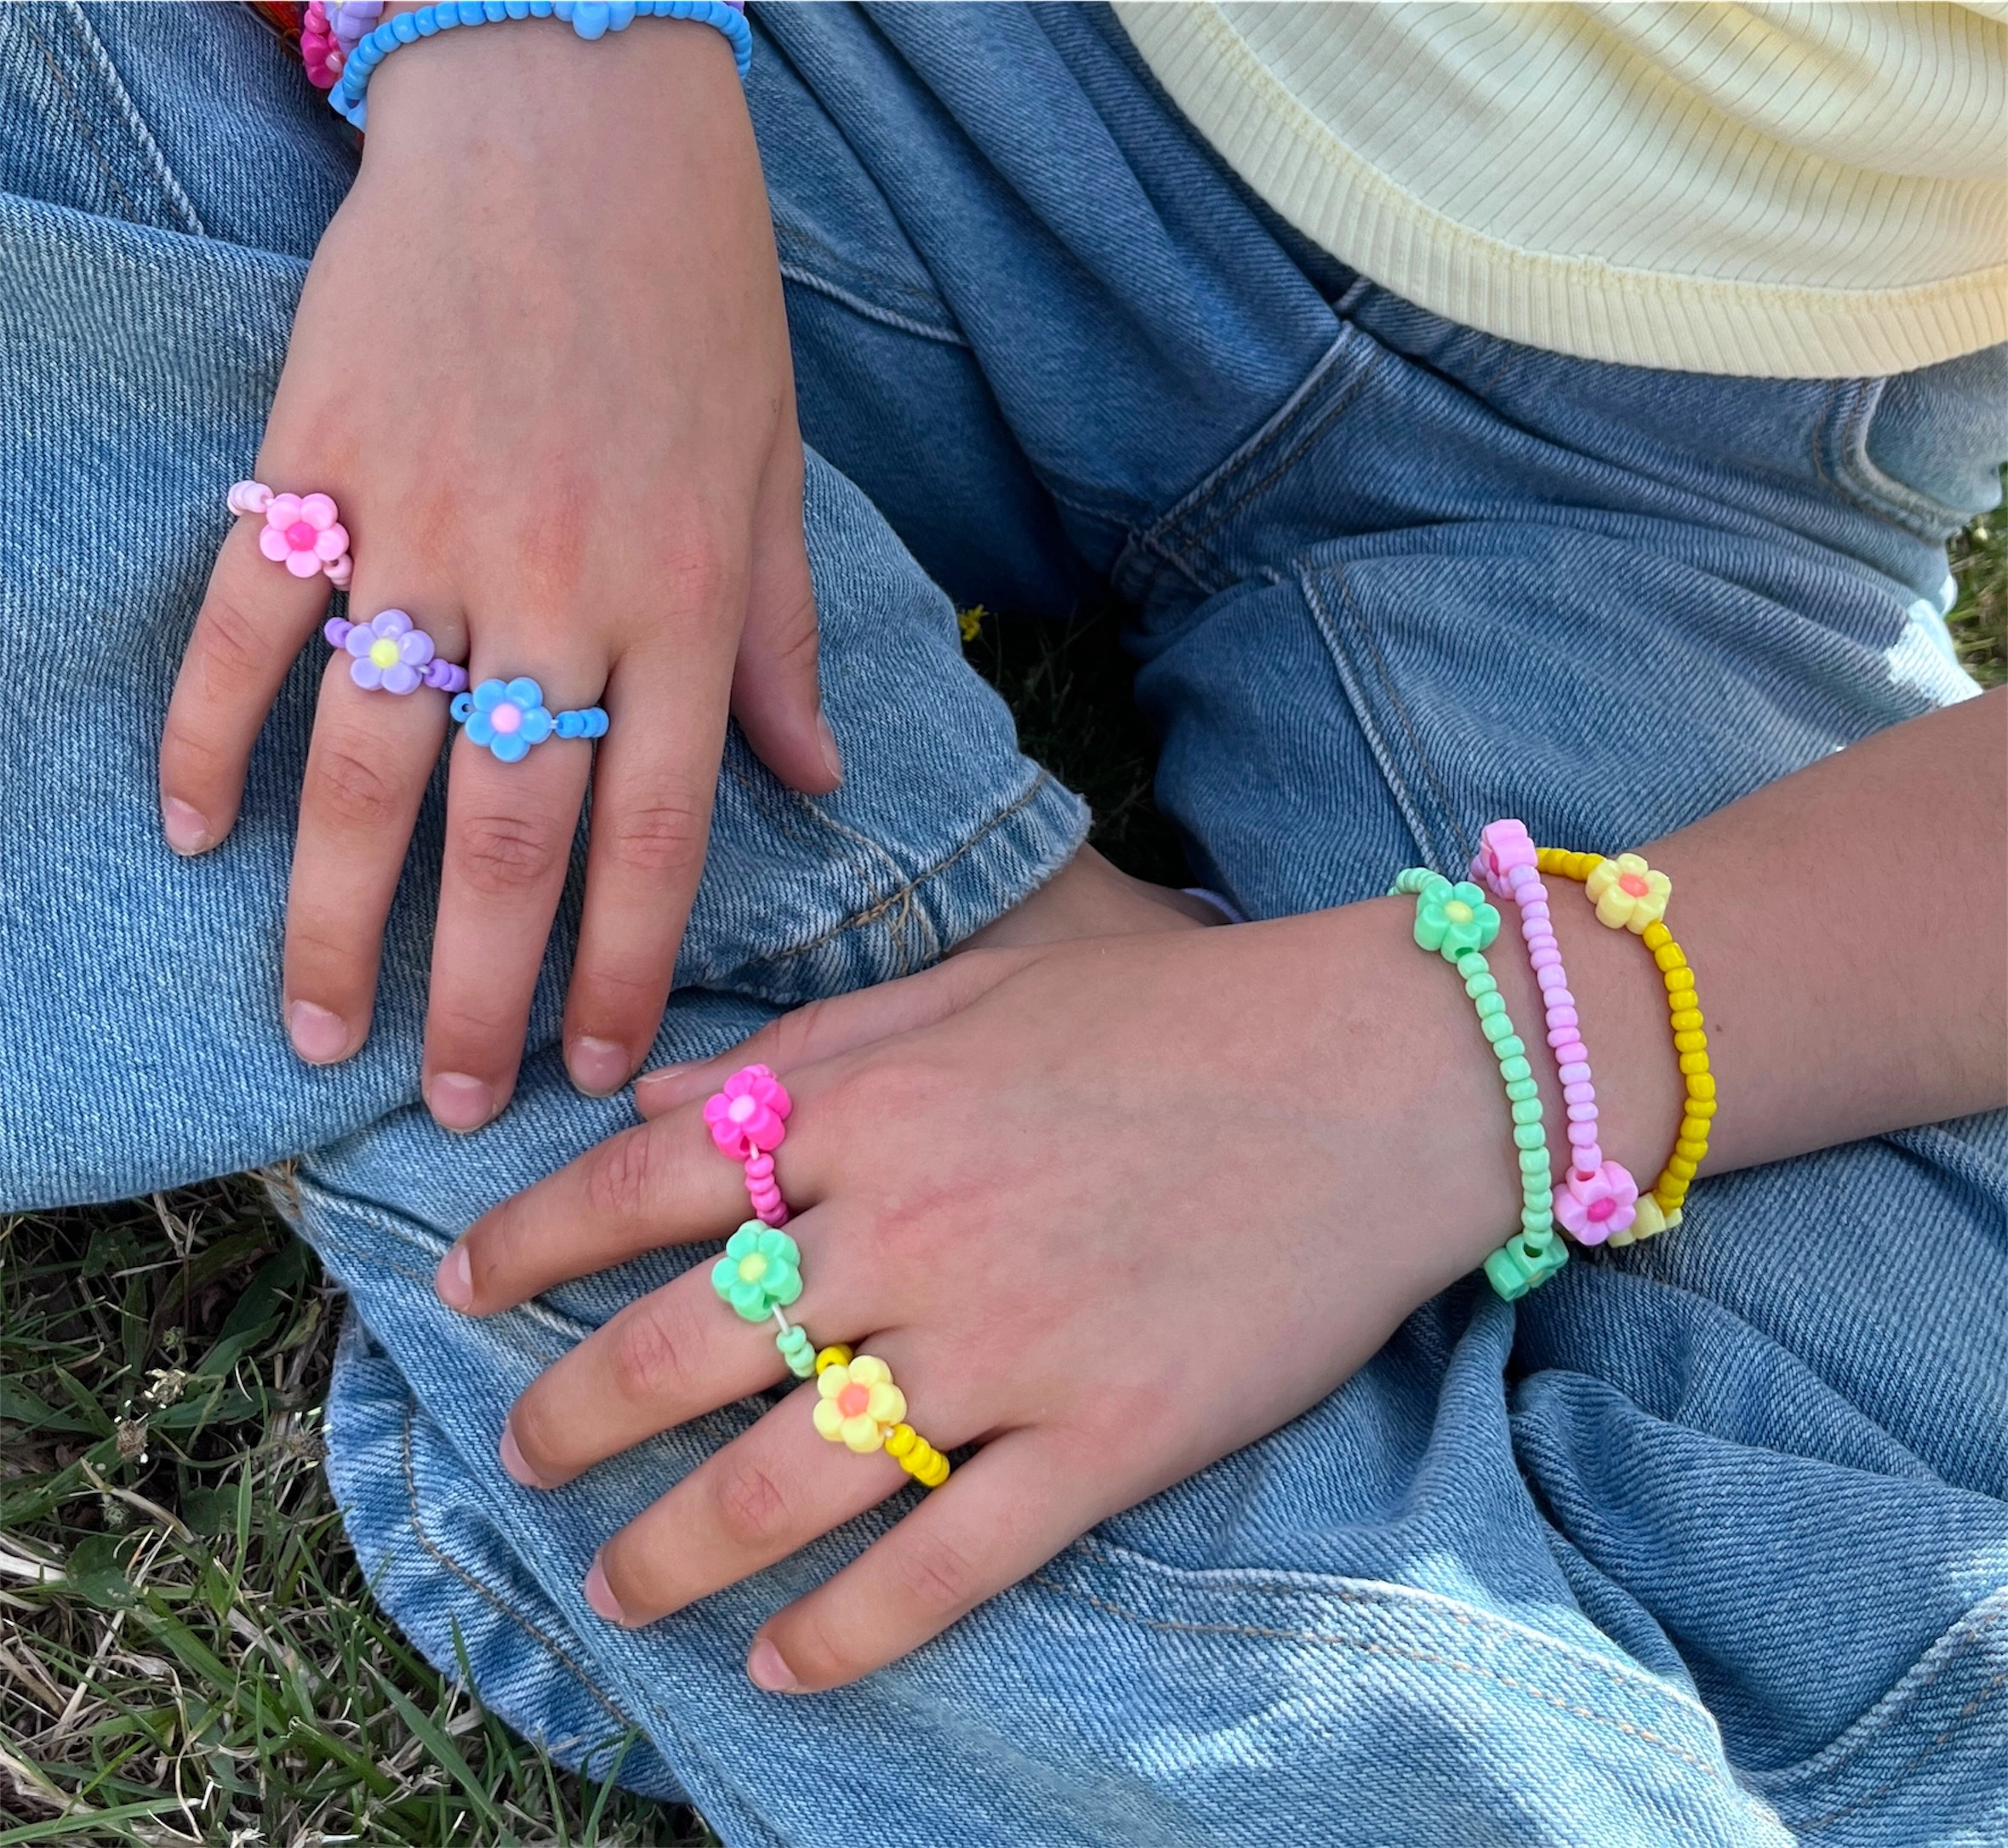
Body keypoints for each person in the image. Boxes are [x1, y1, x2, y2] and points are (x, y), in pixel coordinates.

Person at [1, 3, 2003, 1841]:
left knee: (1918, 1596)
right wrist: (535, 62)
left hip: (1681, 484)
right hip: (833, 59)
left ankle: (713, 1120)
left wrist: (1461, 1056)